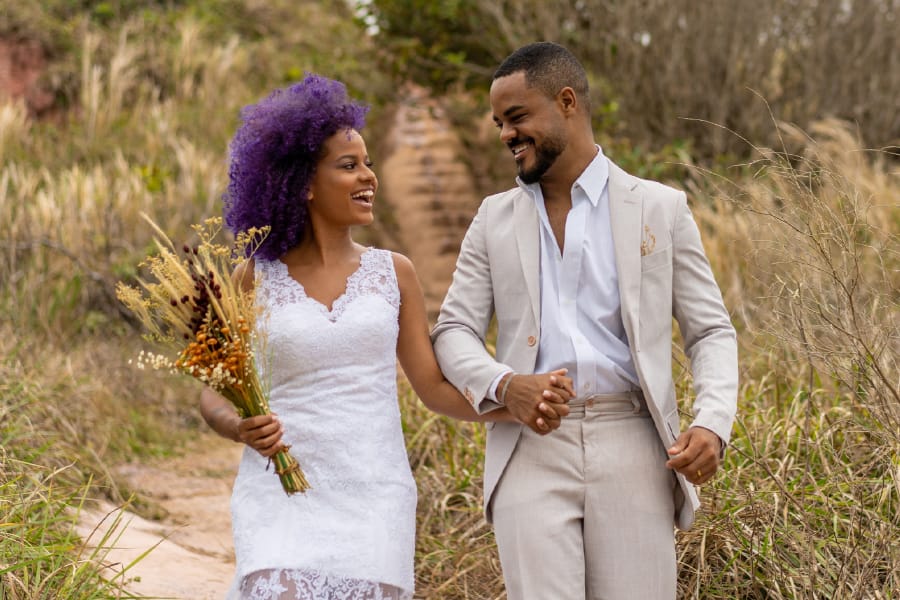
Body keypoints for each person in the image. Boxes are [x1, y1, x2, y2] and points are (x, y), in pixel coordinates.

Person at [197, 74, 573, 600]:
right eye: (349, 166)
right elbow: (212, 389)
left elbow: (435, 389)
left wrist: (517, 400)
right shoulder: (253, 279)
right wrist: (240, 427)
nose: (368, 177)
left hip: (373, 497)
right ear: (303, 181)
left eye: (368, 164)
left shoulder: (393, 273)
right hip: (276, 493)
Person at [431, 42, 739, 599]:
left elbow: (710, 329)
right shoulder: (492, 218)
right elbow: (453, 330)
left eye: (517, 117)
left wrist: (713, 420)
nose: (505, 134)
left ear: (567, 102)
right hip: (529, 445)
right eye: (499, 122)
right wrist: (506, 385)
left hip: (635, 443)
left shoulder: (659, 208)